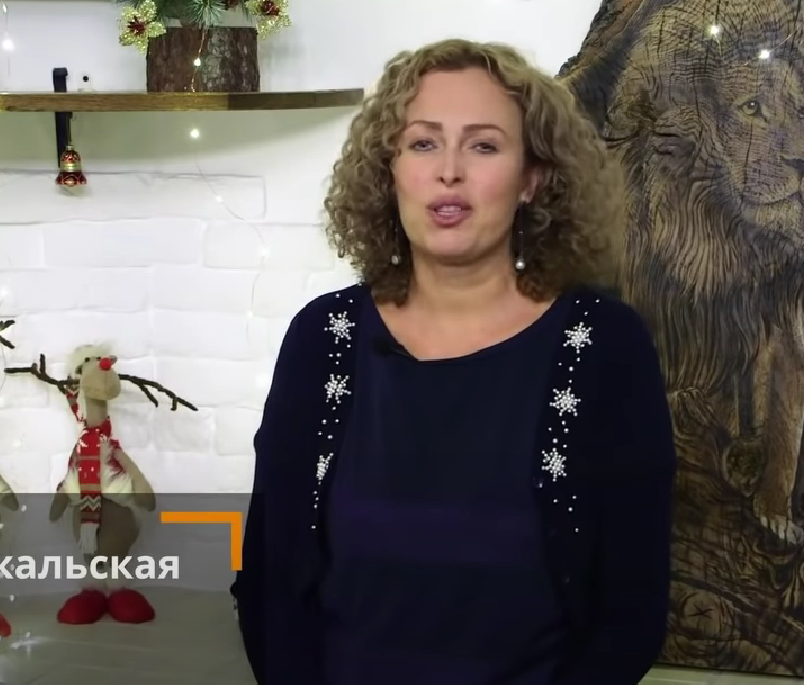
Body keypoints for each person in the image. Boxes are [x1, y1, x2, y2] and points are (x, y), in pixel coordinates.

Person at [231, 39, 676, 685]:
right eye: (423, 143)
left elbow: (630, 610)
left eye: (483, 145)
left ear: (532, 178)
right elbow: (268, 577)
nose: (449, 171)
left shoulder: (605, 346)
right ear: (389, 171)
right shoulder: (321, 338)